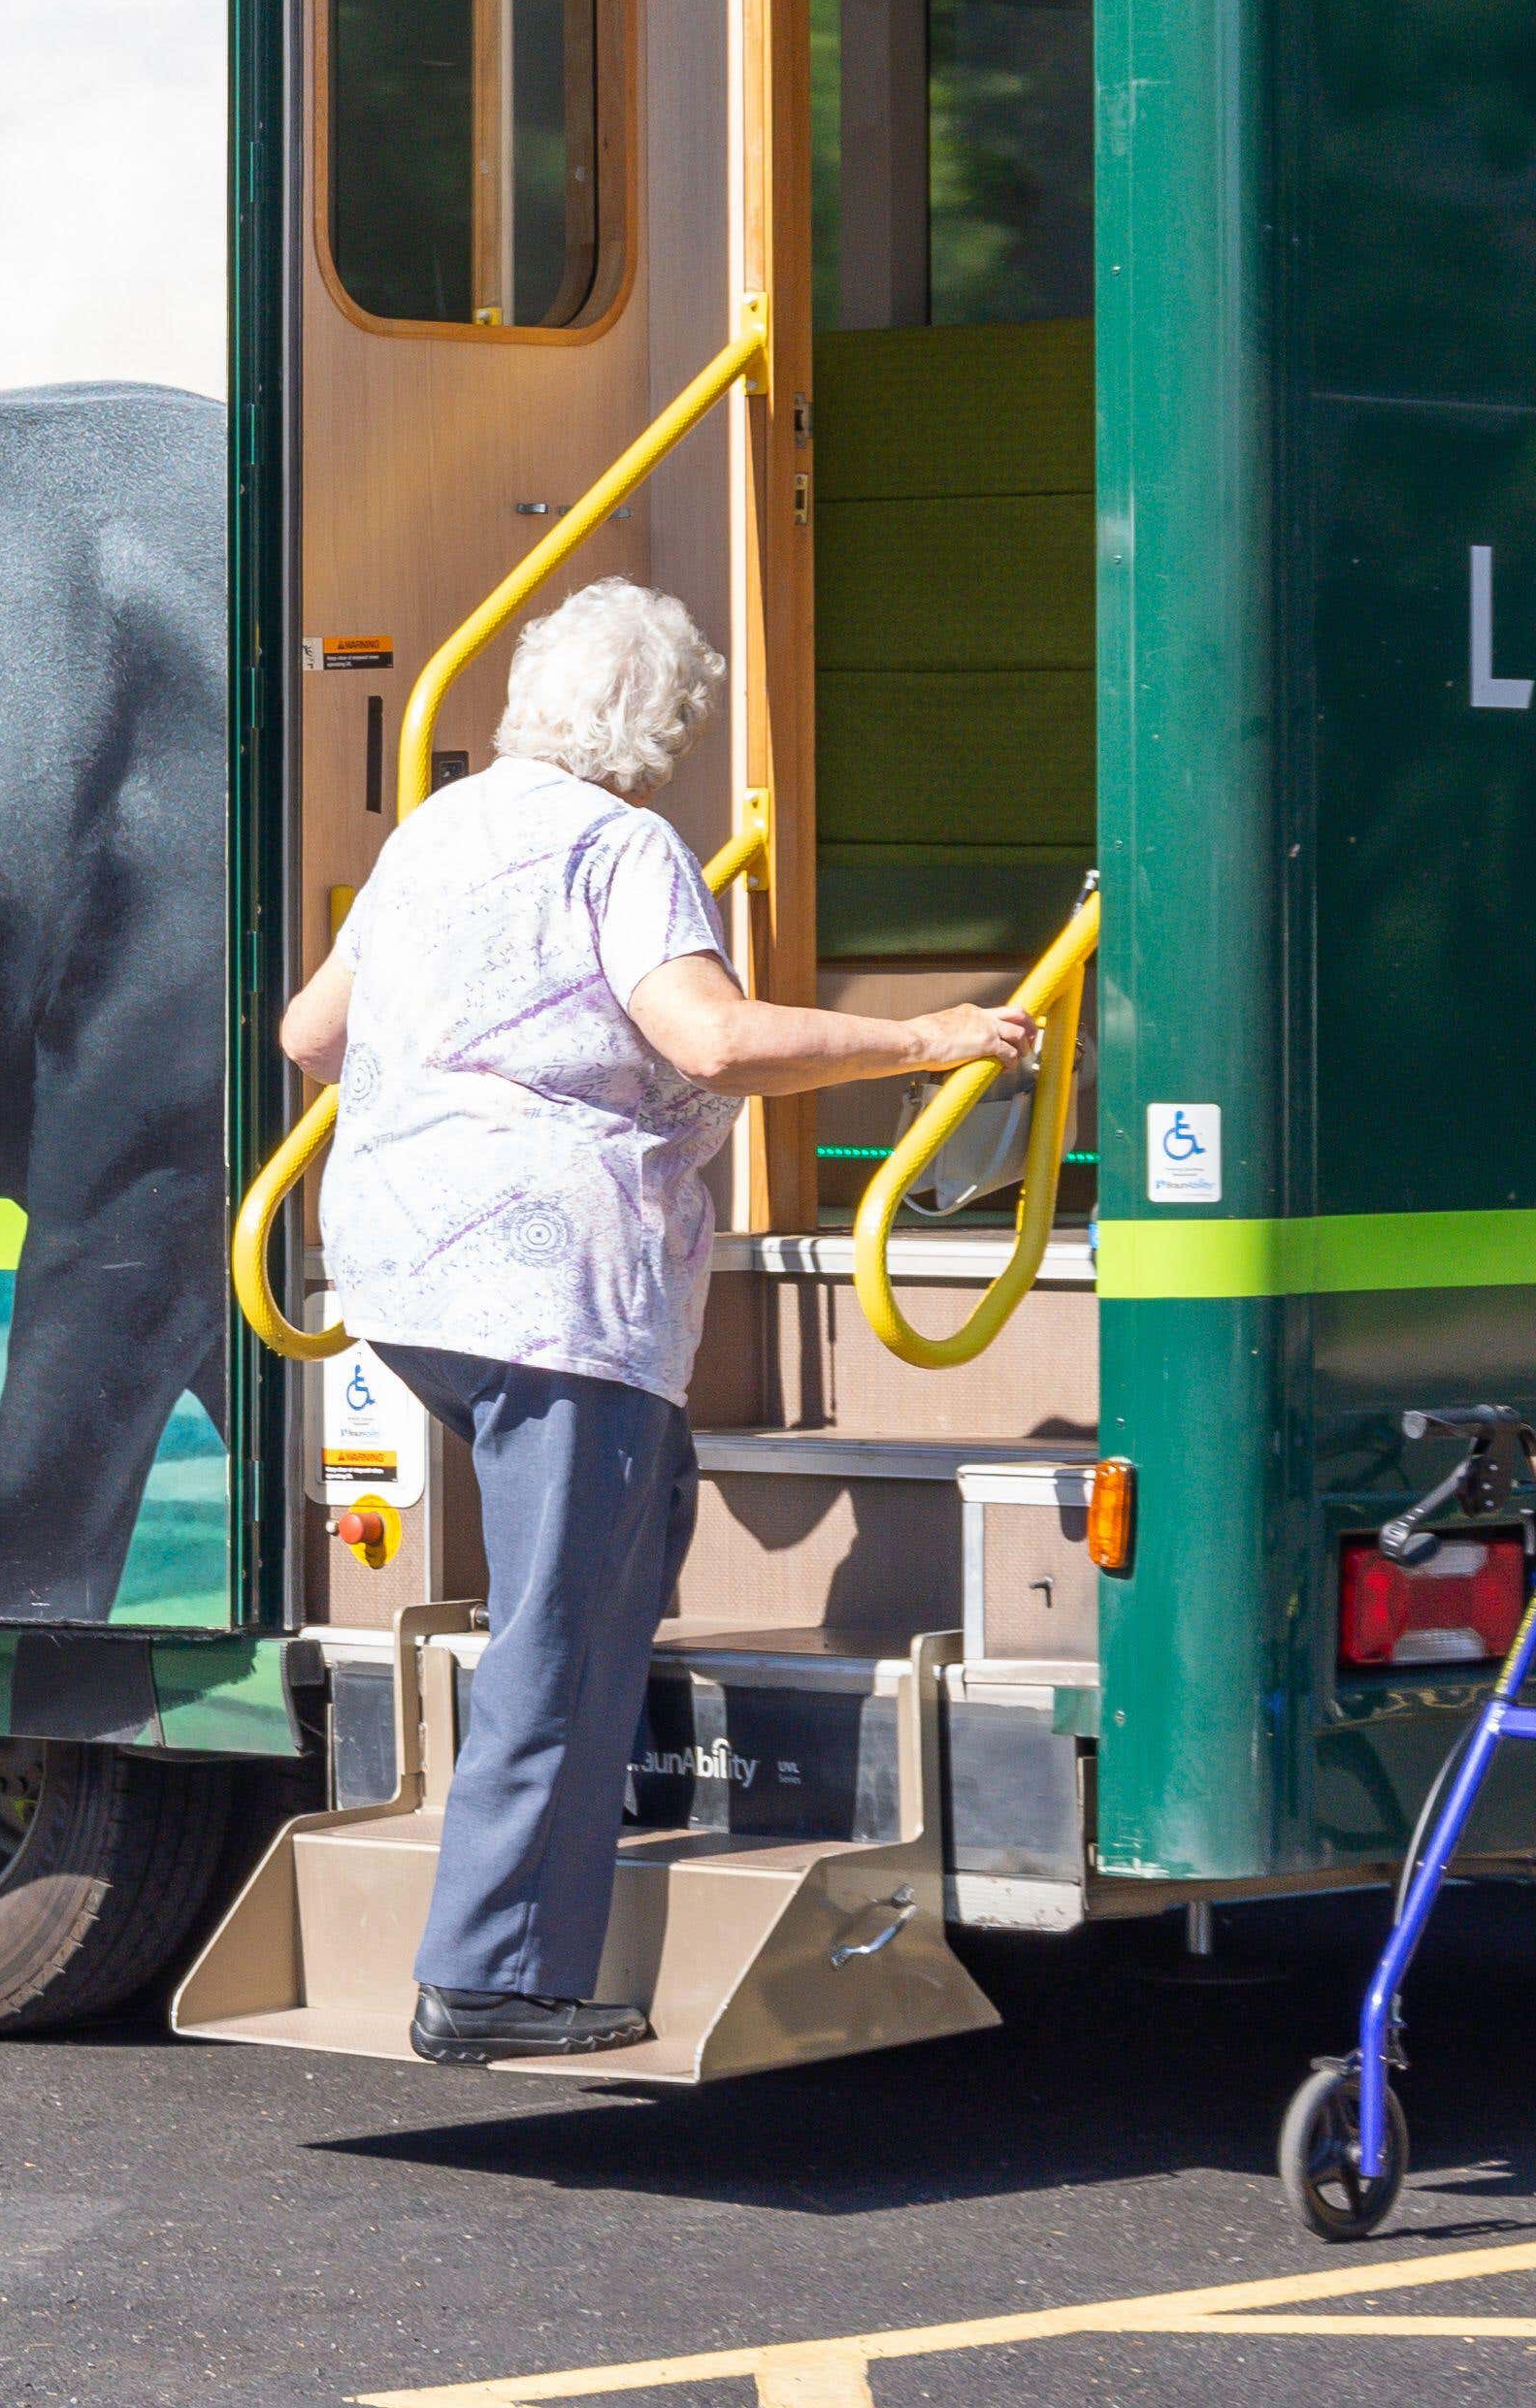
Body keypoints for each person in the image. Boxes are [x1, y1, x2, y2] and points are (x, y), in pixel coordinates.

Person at [273, 577, 1041, 2065]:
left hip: (406, 1270)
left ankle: (547, 1855)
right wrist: (924, 1035)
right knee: (562, 1634)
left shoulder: (437, 827)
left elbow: (314, 1033)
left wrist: (453, 1126)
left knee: (631, 1533)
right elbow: (711, 1038)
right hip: (557, 1289)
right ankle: (492, 1978)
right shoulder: (625, 846)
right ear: (667, 726)